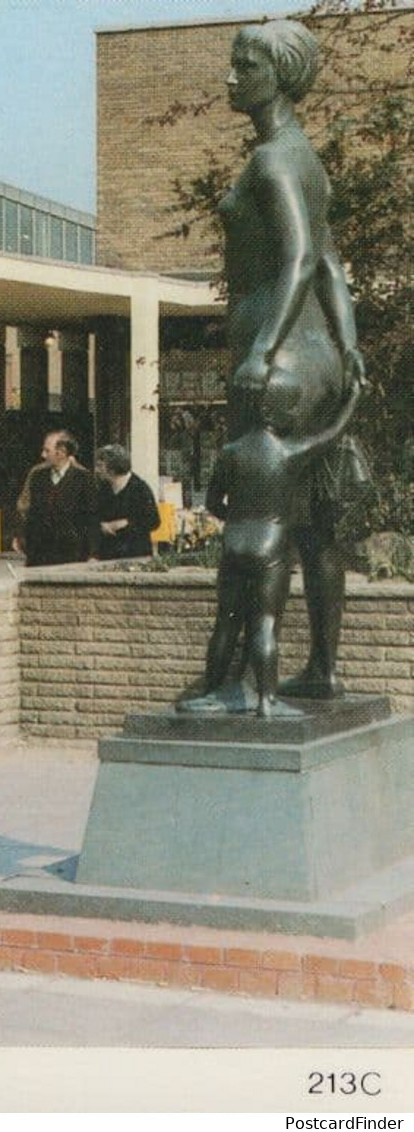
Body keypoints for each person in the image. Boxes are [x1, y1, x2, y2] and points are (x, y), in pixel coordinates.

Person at [218, 19, 368, 699]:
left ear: (278, 73)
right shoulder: (304, 156)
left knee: (256, 521)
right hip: (315, 359)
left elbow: (302, 256)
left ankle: (240, 681)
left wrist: (259, 347)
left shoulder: (273, 159)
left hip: (275, 358)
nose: (231, 77)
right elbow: (331, 264)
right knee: (312, 525)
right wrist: (348, 344)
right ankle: (325, 669)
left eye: (244, 66)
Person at [181, 372, 361, 717]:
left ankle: (212, 692)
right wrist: (351, 397)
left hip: (235, 542)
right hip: (270, 543)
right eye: (288, 408)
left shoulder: (230, 452)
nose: (293, 415)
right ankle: (266, 700)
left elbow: (214, 502)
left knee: (226, 622)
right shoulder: (290, 452)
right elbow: (332, 433)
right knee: (264, 622)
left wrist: (239, 516)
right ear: (275, 411)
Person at [20, 432, 100, 566]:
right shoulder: (38, 477)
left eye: (47, 451)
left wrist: (94, 553)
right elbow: (32, 515)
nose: (43, 455)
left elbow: (92, 518)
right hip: (40, 556)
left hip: (72, 555)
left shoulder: (84, 479)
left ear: (62, 452)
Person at [94, 444, 162, 561]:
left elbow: (153, 521)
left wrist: (125, 523)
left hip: (135, 555)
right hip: (108, 555)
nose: (96, 470)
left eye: (100, 466)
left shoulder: (139, 488)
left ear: (113, 468)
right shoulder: (104, 489)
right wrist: (101, 526)